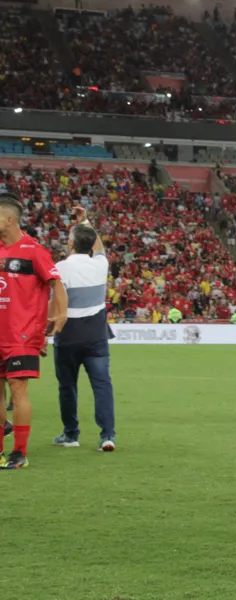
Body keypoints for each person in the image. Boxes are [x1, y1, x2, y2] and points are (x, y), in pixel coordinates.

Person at [0, 194, 69, 470]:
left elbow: (56, 284)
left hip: (23, 336)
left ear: (9, 219)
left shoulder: (33, 250)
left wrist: (60, 314)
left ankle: (19, 452)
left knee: (18, 390)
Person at [52, 207, 117, 451]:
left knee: (67, 386)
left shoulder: (61, 267)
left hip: (68, 334)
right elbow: (97, 246)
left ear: (70, 243)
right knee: (102, 385)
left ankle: (71, 435)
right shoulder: (101, 263)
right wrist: (86, 221)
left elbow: (57, 302)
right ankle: (107, 435)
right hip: (96, 335)